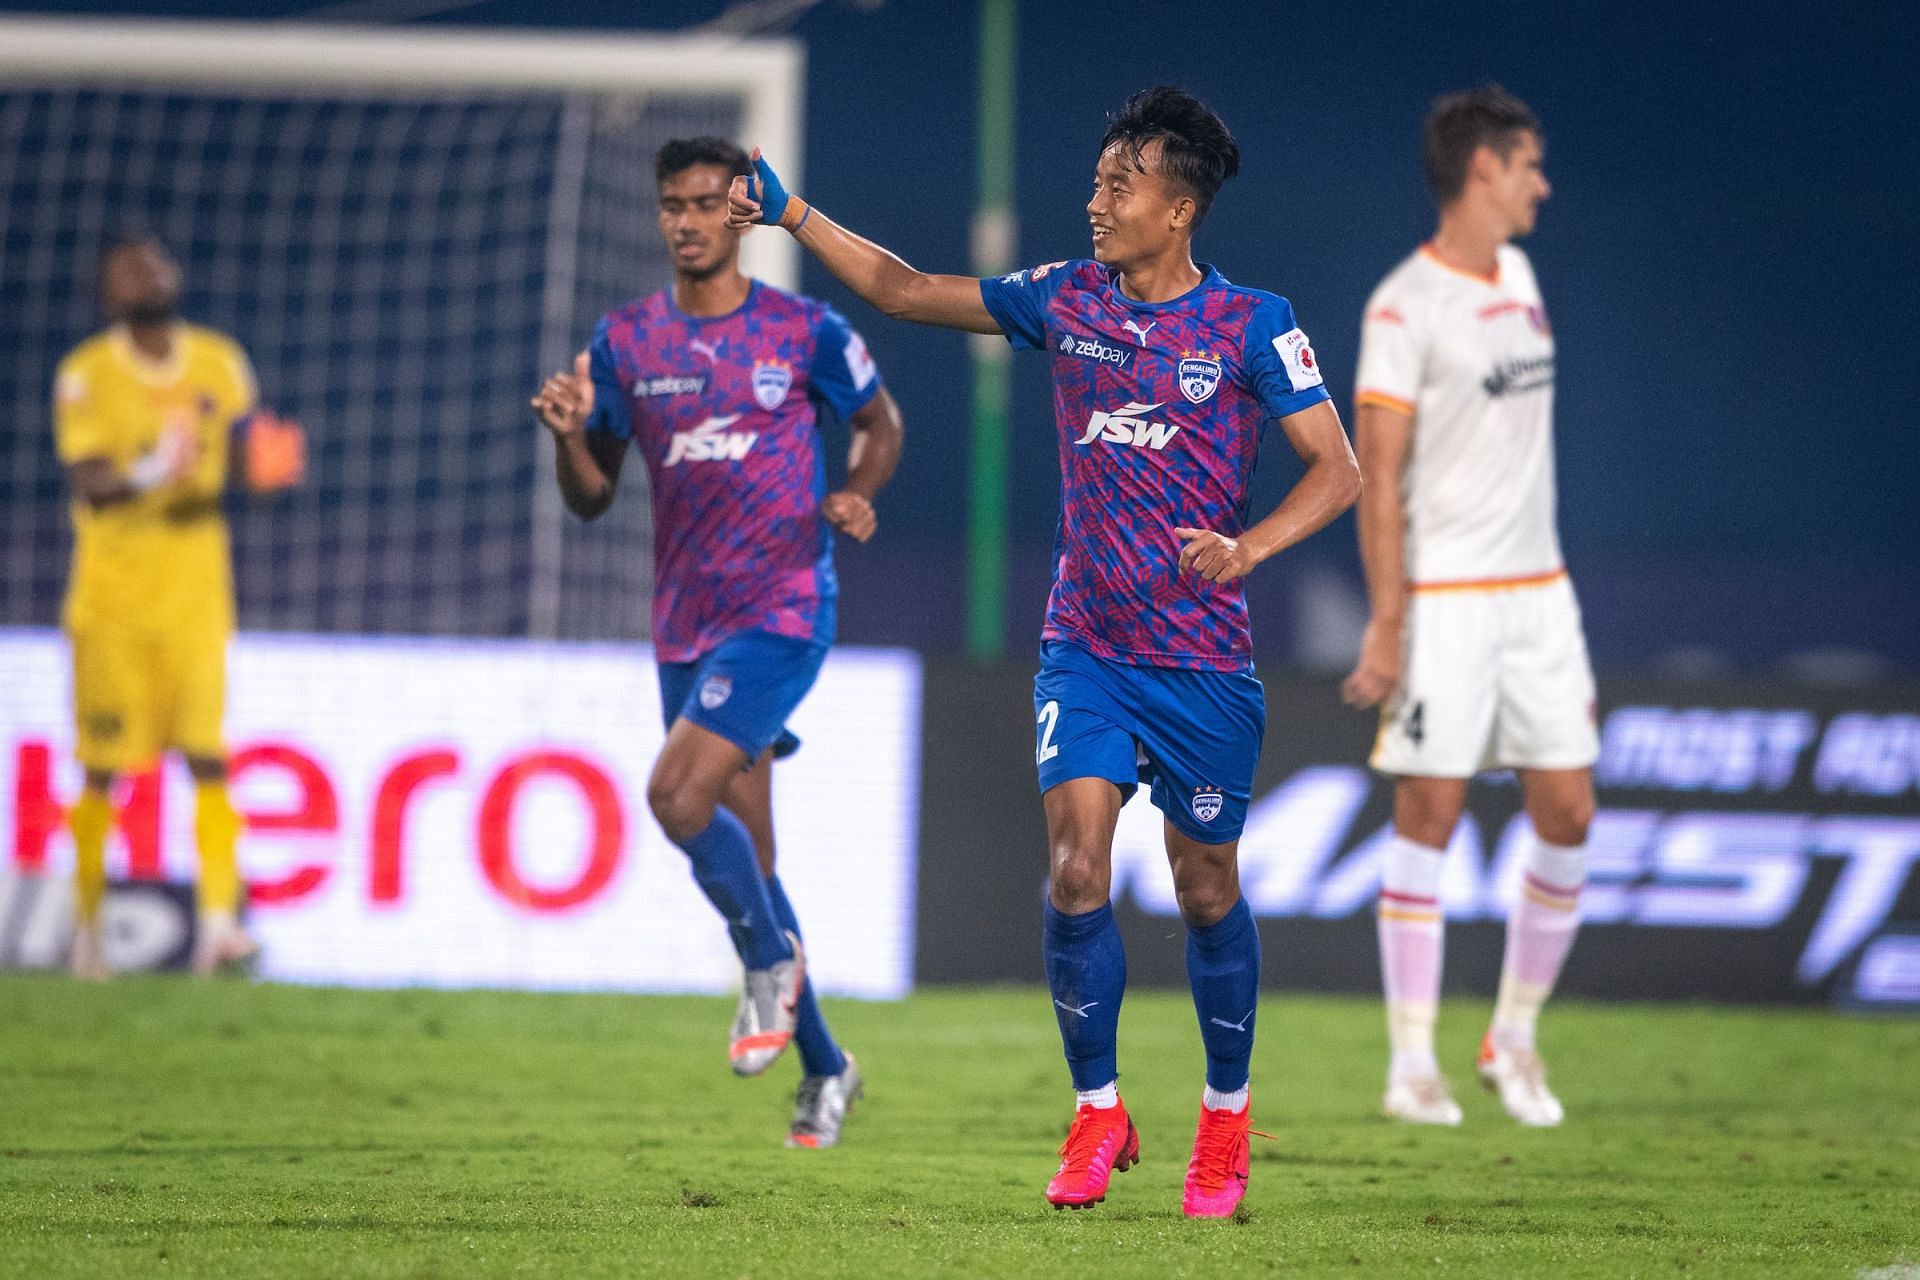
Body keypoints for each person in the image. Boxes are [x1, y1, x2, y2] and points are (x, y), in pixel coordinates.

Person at [728, 87, 1359, 1216]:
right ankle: (1097, 1107)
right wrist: (794, 213)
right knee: (1075, 866)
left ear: (1179, 209)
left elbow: (1337, 467)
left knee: (1205, 883)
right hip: (1088, 646)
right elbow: (909, 289)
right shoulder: (1067, 298)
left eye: (1122, 184)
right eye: (1098, 179)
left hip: (1205, 662)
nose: (1097, 201)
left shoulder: (1257, 325)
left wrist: (1250, 544)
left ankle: (1225, 1119)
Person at [532, 136, 904, 1150]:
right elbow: (592, 499)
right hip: (682, 625)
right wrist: (570, 436)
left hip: (782, 609)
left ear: (740, 216)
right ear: (660, 216)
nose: (690, 220)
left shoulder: (803, 330)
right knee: (753, 857)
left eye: (708, 203)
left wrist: (857, 494)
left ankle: (764, 966)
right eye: (674, 205)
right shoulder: (625, 343)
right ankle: (828, 1067)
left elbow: (883, 424)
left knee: (674, 794)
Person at [1342, 86, 1596, 1129]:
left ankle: (1515, 1036)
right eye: (1528, 163)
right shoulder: (1403, 305)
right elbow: (1378, 474)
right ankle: (1412, 1064)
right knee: (1430, 815)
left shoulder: (1524, 275)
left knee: (1570, 812)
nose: (1541, 182)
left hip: (1542, 595)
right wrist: (1388, 623)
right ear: (1482, 169)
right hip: (1445, 599)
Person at [55, 233, 306, 979]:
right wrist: (152, 470)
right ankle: (89, 931)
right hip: (112, 602)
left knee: (209, 757)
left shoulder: (219, 363)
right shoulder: (87, 374)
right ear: (110, 293)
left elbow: (244, 454)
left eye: (160, 262)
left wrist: (265, 468)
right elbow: (90, 482)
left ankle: (220, 928)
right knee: (103, 767)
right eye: (131, 268)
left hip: (198, 594)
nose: (151, 274)